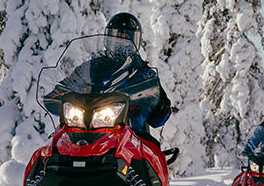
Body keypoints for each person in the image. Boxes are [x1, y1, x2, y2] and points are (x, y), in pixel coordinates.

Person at [44, 12, 172, 143]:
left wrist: (159, 107)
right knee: (50, 149)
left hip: (132, 136)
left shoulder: (144, 74)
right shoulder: (91, 68)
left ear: (135, 41)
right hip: (85, 131)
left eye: (126, 38)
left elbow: (158, 117)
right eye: (116, 38)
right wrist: (62, 98)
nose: (121, 43)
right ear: (108, 39)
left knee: (153, 151)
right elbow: (62, 90)